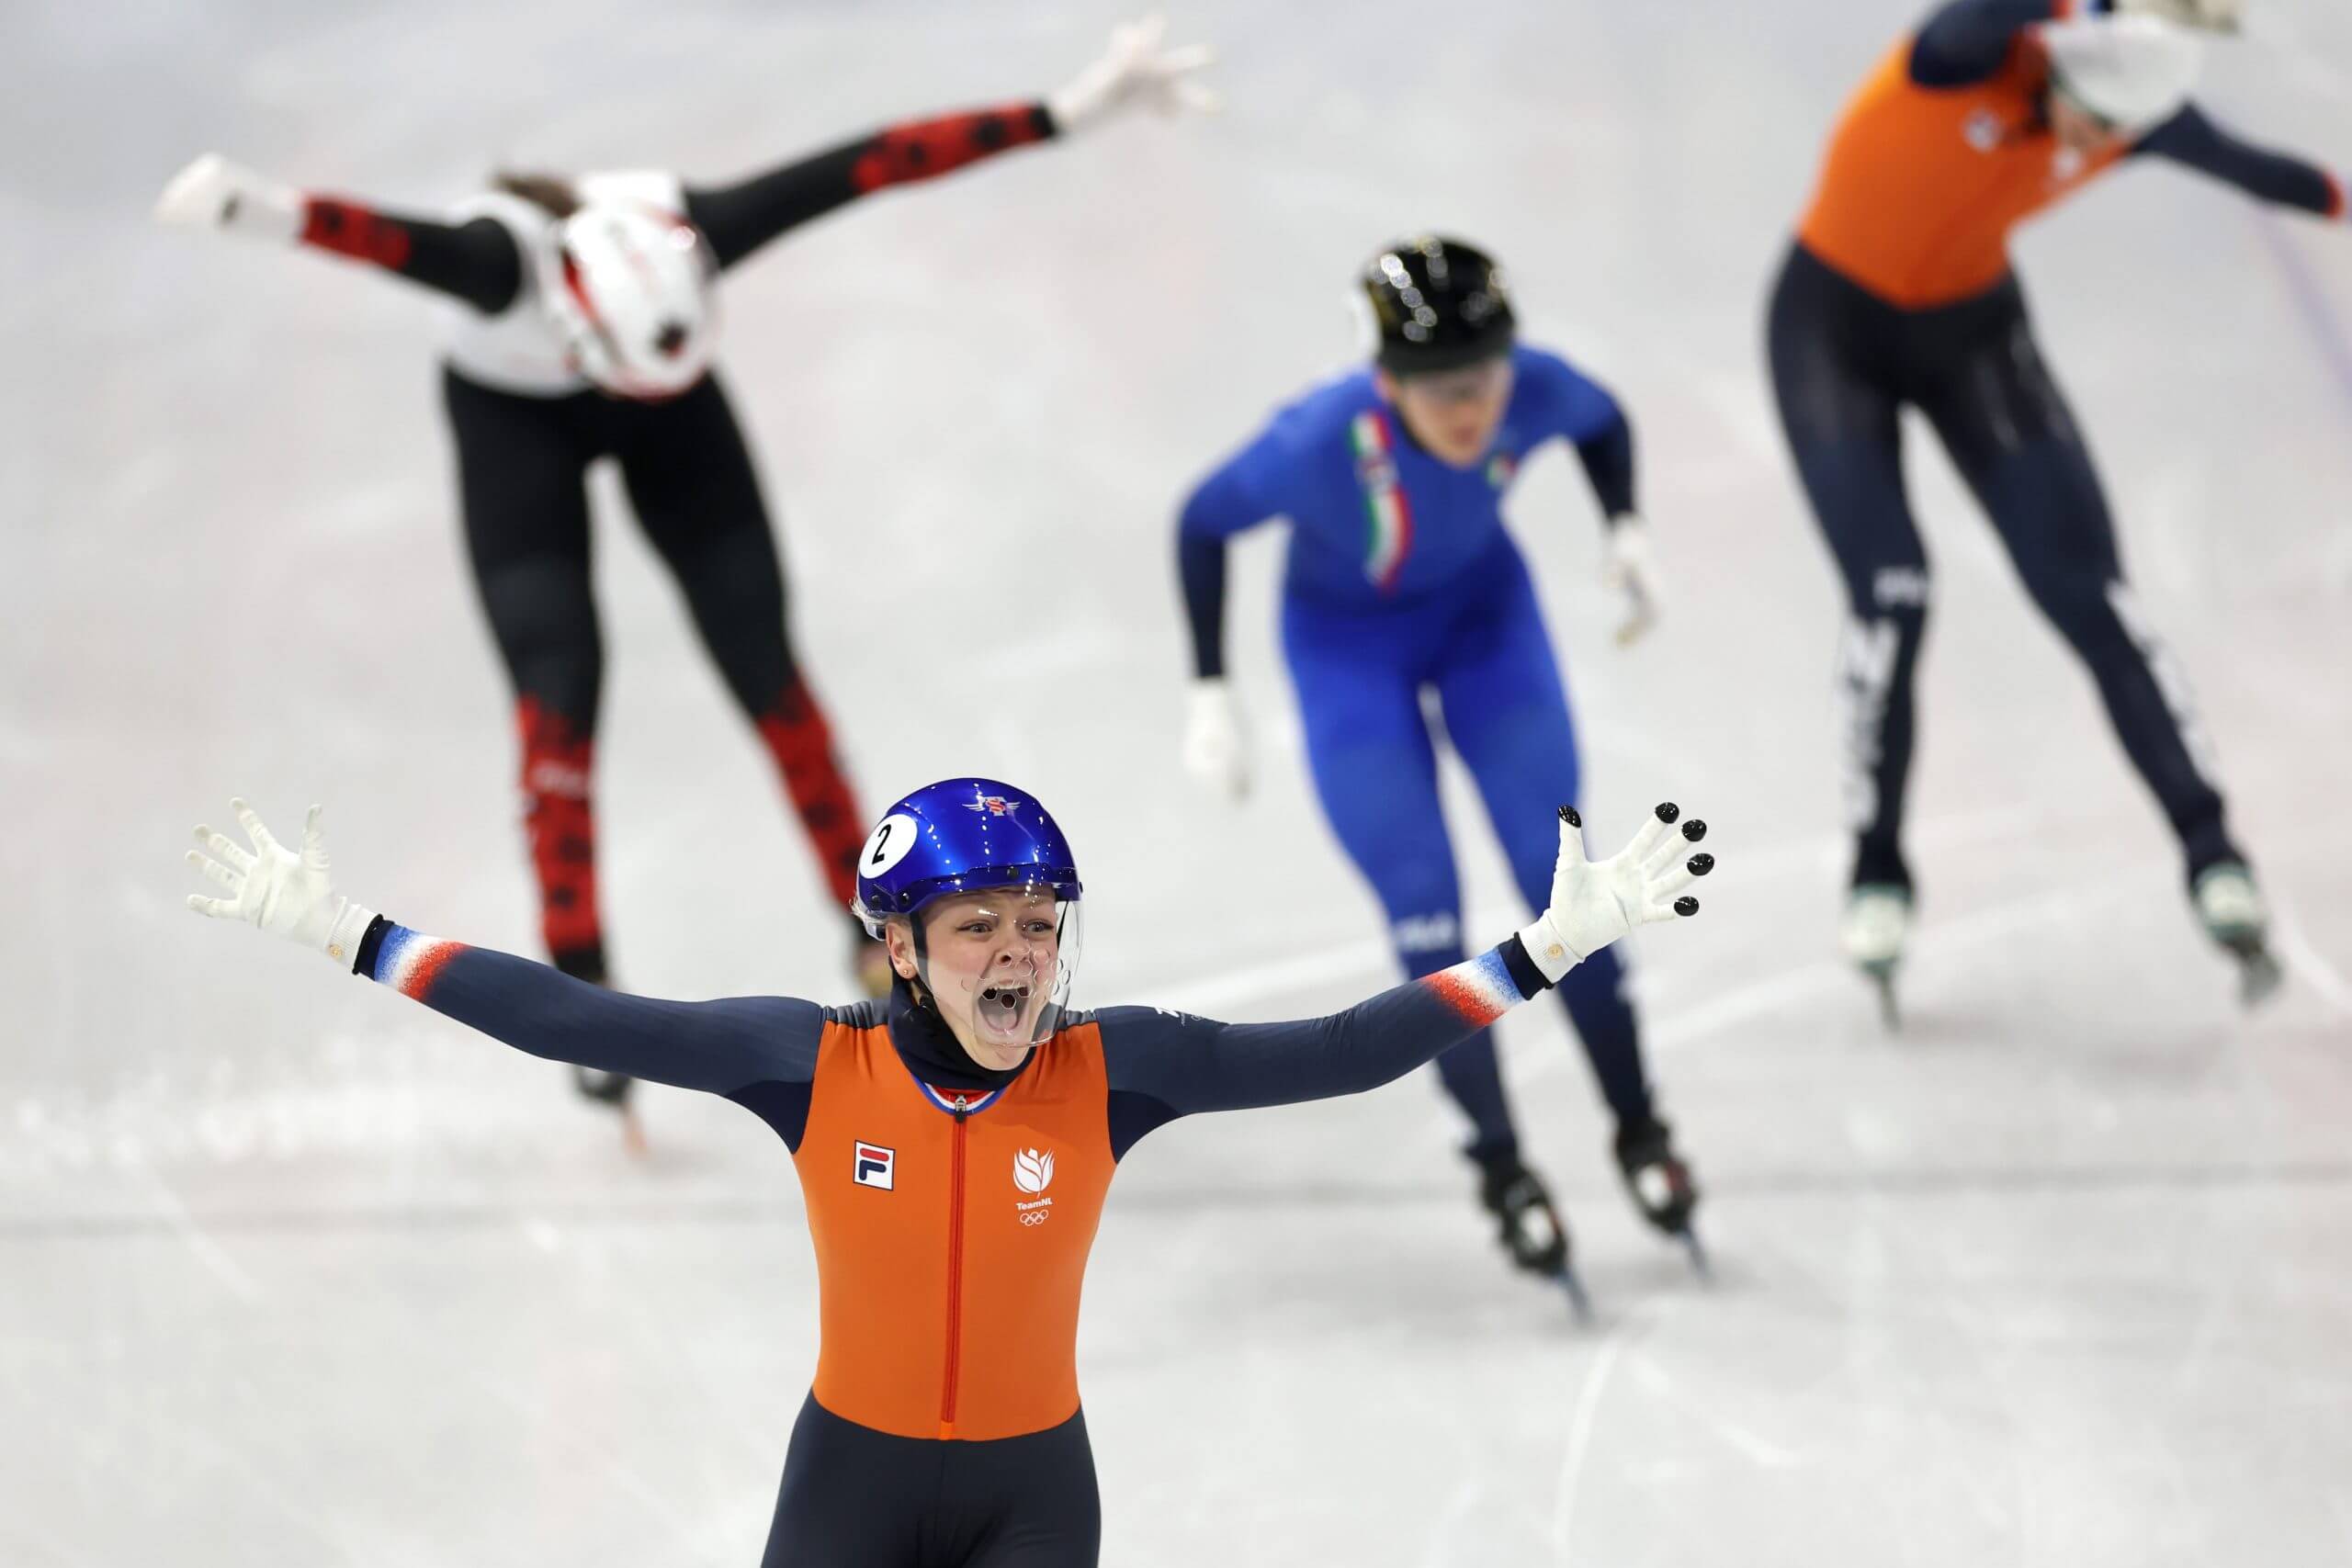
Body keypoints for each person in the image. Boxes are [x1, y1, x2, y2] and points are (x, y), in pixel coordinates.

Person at [183, 777, 1714, 1567]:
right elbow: (576, 1015)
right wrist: (354, 934)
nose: (1021, 954)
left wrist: (1542, 952)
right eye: (980, 925)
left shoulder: (1118, 1071)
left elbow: (1340, 1049)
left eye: (1041, 924)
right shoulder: (810, 1062)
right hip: (846, 1488)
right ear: (899, 948)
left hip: (1029, 1500)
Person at [152, 17, 1216, 1130]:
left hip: (676, 424)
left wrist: (1072, 110)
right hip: (517, 425)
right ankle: (582, 973)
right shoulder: (493, 266)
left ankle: (868, 934)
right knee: (556, 686)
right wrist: (254, 208)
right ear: (571, 318)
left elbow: (870, 166)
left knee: (765, 662)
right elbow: (366, 234)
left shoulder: (688, 236)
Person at [1770, 0, 2337, 1016]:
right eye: (2082, 118)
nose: (2090, 146)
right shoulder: (1957, 64)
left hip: (1974, 337)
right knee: (1892, 601)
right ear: (2052, 69)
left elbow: (2272, 174)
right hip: (1831, 334)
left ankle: (2213, 852)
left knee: (2092, 599)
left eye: (2113, 137)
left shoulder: (2137, 112)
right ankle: (1877, 866)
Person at [1172, 234, 1698, 1293]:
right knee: (1424, 911)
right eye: (1440, 389)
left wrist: (1625, 524)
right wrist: (1210, 687)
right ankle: (1501, 1167)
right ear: (1384, 380)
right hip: (1346, 656)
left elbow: (1600, 422)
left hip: (1484, 627)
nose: (1472, 411)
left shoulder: (1532, 389)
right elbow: (1200, 521)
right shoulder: (1313, 442)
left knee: (1569, 892)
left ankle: (1639, 1128)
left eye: (1487, 382)